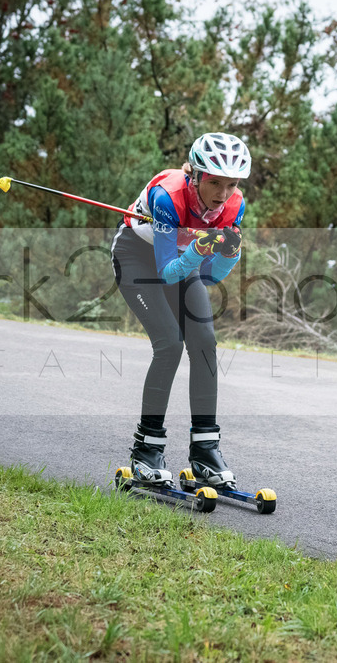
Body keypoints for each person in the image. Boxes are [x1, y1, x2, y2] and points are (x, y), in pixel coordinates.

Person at [110, 132, 250, 490]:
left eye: (231, 184)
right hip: (139, 257)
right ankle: (146, 450)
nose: (222, 194)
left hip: (184, 258)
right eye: (214, 182)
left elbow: (209, 276)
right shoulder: (167, 197)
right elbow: (166, 272)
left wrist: (228, 254)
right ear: (196, 176)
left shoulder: (235, 206)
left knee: (204, 343)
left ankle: (205, 451)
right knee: (170, 344)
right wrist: (202, 248)